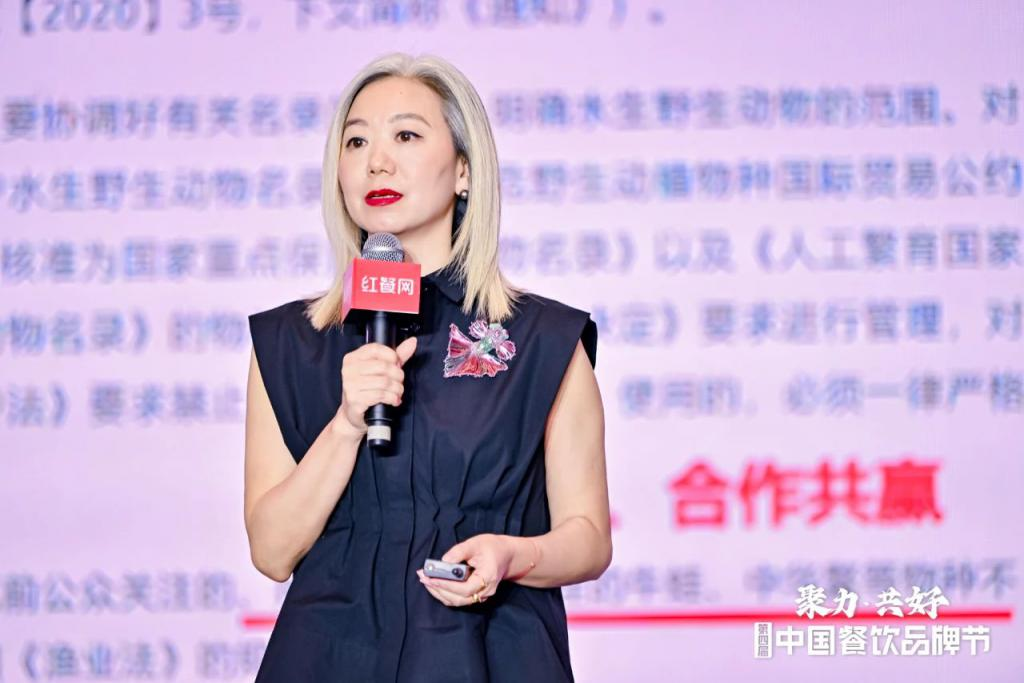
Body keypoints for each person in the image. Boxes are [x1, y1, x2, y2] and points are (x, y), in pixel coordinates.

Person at [244, 52, 612, 682]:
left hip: (488, 654)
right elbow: (271, 552)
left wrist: (513, 555)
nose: (376, 162)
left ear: (464, 170)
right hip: (328, 658)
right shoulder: (289, 343)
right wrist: (346, 425)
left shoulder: (543, 339)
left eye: (406, 136)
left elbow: (589, 538)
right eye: (356, 141)